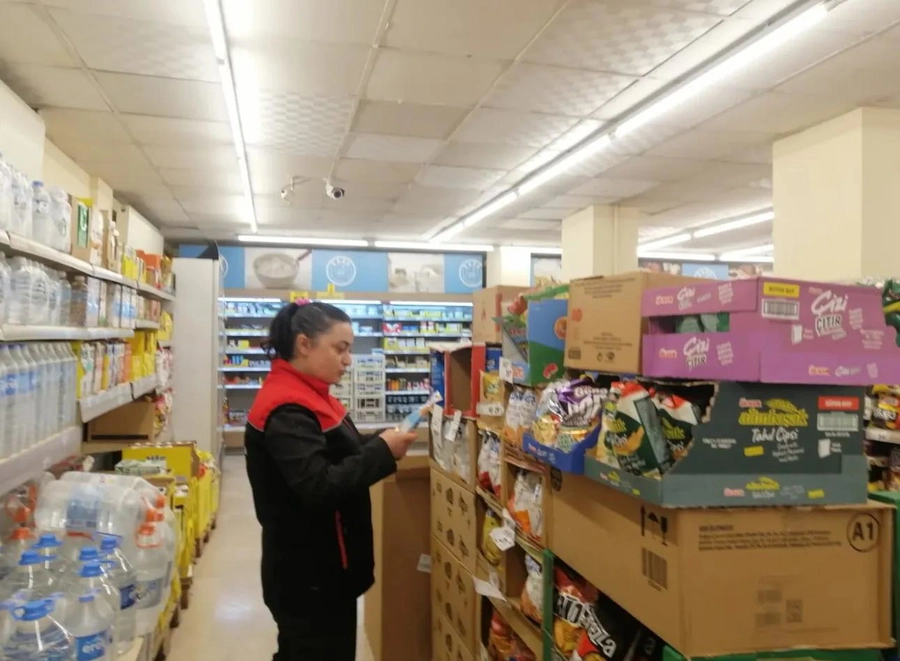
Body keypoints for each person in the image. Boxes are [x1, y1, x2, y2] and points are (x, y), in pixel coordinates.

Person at [244, 301, 419, 661]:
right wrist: (381, 452)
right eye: (340, 349)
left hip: (324, 570)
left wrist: (381, 441)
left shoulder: (309, 394)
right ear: (304, 344)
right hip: (309, 575)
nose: (348, 360)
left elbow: (336, 451)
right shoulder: (288, 409)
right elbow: (318, 486)